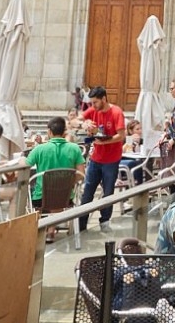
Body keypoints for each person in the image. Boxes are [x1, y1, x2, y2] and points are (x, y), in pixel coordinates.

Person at [27, 116, 86, 242]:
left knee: (33, 189)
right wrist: (67, 182)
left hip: (41, 197)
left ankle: (43, 227)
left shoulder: (39, 149)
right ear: (64, 131)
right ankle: (50, 228)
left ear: (49, 131)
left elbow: (25, 166)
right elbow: (81, 174)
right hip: (65, 197)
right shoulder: (75, 148)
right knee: (56, 192)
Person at [76, 85, 125, 233]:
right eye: (91, 103)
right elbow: (73, 120)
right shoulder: (93, 110)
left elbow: (121, 136)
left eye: (95, 102)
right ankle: (82, 223)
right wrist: (83, 123)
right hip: (96, 159)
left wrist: (103, 141)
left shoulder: (116, 112)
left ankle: (104, 222)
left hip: (111, 159)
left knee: (108, 192)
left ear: (104, 99)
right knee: (88, 191)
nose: (93, 106)